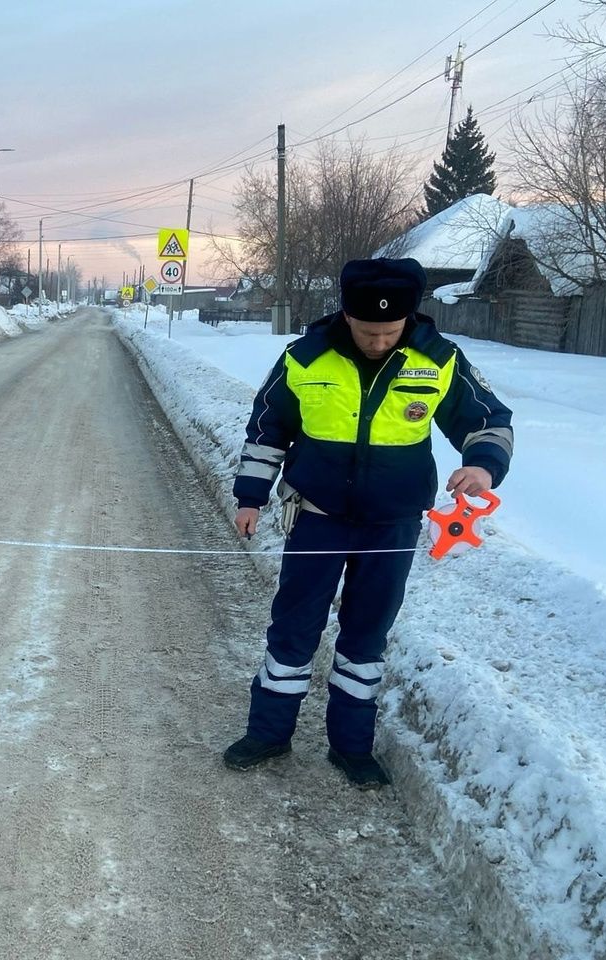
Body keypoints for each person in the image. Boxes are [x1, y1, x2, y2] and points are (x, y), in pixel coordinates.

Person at [224, 257, 514, 789]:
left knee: (366, 635)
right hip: (317, 517)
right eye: (366, 331)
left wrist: (482, 465)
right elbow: (266, 431)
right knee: (293, 628)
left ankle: (351, 747)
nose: (378, 341)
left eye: (389, 332)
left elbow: (489, 420)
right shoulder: (304, 358)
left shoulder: (439, 360)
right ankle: (268, 733)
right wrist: (250, 497)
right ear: (346, 315)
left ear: (408, 318)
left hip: (393, 525)